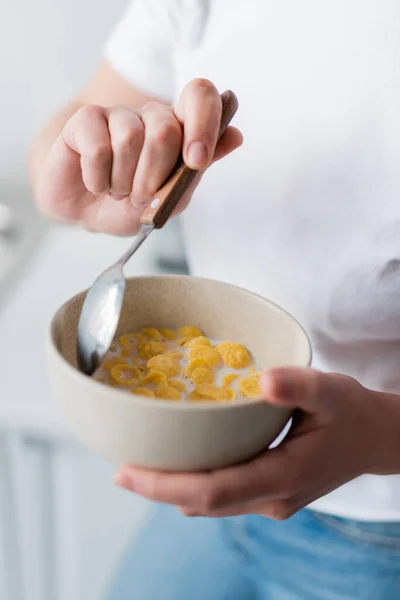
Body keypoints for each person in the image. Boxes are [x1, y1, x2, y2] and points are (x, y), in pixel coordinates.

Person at [30, 1, 400, 598]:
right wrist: (76, 173)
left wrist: (382, 435)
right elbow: (69, 124)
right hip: (208, 457)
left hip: (379, 533)